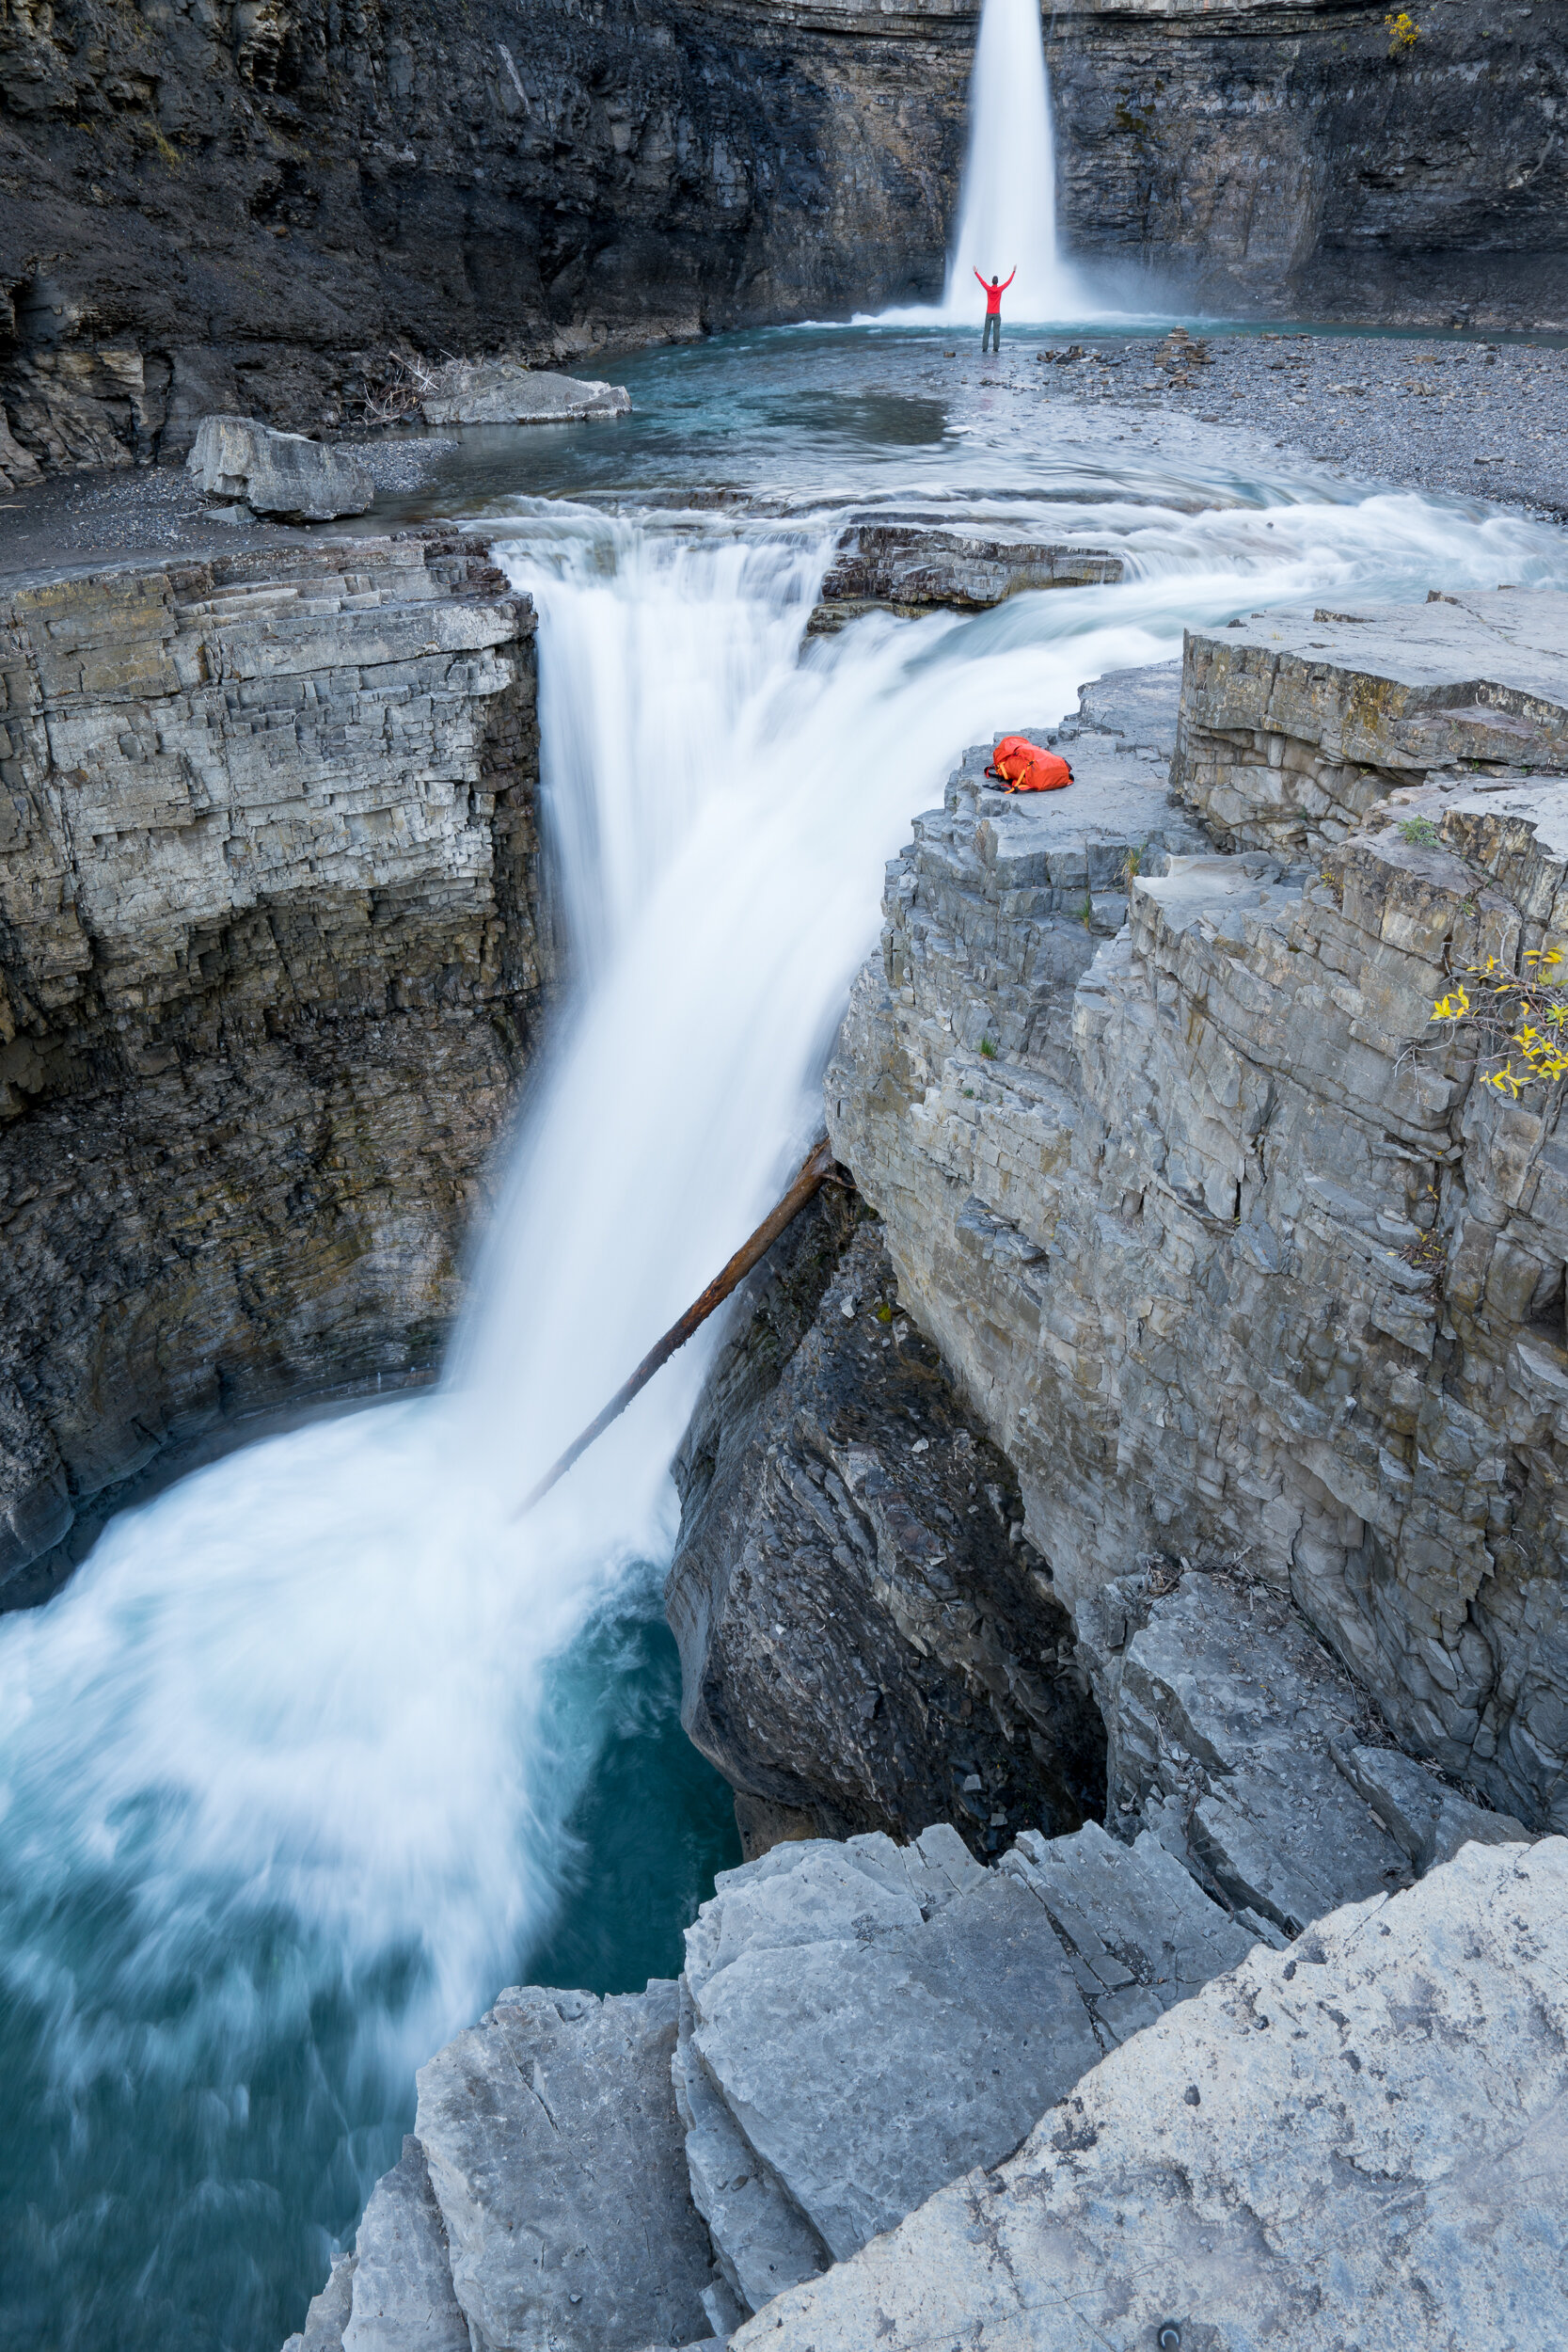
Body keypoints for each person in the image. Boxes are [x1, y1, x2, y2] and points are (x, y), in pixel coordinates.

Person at [975, 268, 1015, 353]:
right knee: (996, 331)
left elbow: (981, 281)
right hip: (997, 313)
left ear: (992, 281)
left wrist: (976, 272)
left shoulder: (988, 289)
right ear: (997, 282)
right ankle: (996, 348)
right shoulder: (1000, 289)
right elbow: (1008, 282)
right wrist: (1013, 272)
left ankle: (984, 348)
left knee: (986, 331)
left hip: (989, 313)